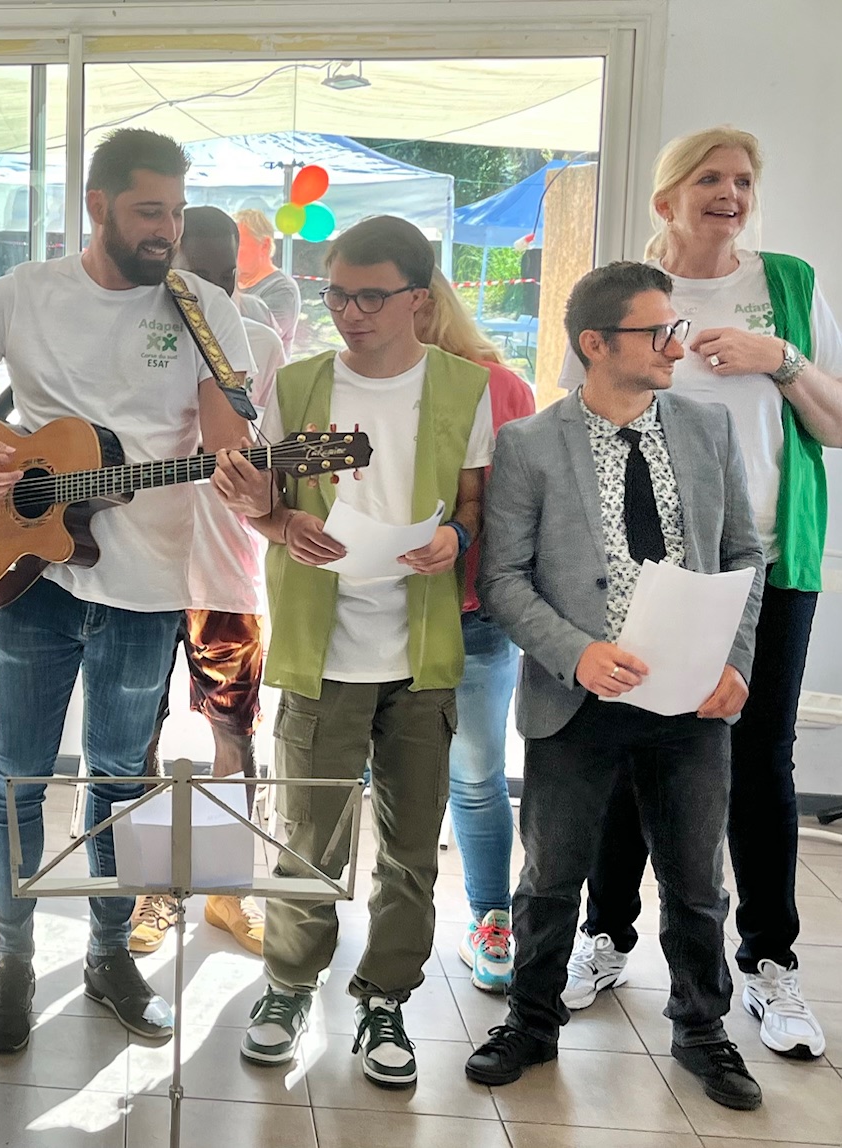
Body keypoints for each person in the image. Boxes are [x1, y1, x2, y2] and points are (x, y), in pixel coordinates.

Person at [0, 128, 253, 1052]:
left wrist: (253, 478)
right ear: (98, 206)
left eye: (176, 212)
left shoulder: (204, 309)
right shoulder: (24, 294)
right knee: (16, 777)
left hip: (148, 591)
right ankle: (11, 961)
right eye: (148, 211)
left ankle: (108, 954)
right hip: (32, 580)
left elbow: (227, 446)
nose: (167, 229)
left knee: (119, 782)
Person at [555, 128, 838, 1061]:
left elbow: (837, 423)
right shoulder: (627, 291)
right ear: (666, 198)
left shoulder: (786, 284)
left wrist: (779, 357)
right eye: (709, 178)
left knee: (760, 760)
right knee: (627, 747)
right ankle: (606, 936)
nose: (730, 194)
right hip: (641, 566)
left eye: (744, 180)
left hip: (768, 565)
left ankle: (769, 963)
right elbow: (575, 418)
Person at [468, 260, 768, 1110]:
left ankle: (703, 1030)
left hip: (691, 698)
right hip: (577, 699)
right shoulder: (530, 444)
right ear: (595, 344)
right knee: (550, 876)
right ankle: (530, 1022)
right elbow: (502, 579)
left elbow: (744, 554)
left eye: (676, 327)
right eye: (657, 331)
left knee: (697, 883)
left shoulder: (707, 428)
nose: (676, 345)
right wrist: (576, 652)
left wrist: (737, 661)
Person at [213, 214, 493, 1089]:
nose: (350, 313)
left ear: (419, 298)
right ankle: (289, 986)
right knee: (309, 840)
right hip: (320, 650)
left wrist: (454, 538)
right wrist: (274, 520)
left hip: (419, 655)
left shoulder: (463, 387)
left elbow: (473, 504)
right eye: (337, 295)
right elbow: (260, 502)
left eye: (371, 297)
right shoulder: (299, 385)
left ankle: (385, 998)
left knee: (411, 849)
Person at [130, 204, 286, 959]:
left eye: (229, 273)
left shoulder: (260, 343)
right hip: (137, 571)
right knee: (137, 736)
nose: (219, 288)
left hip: (227, 575)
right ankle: (150, 889)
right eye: (202, 272)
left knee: (233, 734)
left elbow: (274, 459)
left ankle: (227, 890)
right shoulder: (135, 332)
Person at [415, 270, 536, 993]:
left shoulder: (499, 386)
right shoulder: (356, 381)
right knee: (376, 772)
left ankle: (492, 919)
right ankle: (350, 923)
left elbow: (519, 507)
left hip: (475, 611)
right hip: (381, 608)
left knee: (476, 774)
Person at [233, 208, 303, 351]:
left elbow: (260, 340)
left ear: (264, 245)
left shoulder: (283, 289)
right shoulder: (231, 280)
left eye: (239, 243)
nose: (231, 250)